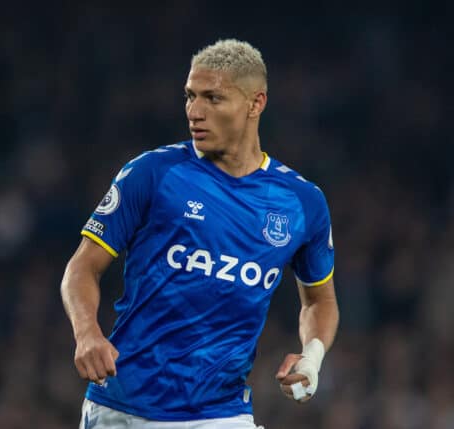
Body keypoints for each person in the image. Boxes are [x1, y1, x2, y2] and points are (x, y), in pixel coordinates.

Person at [61, 39, 339, 429]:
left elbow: (319, 301)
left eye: (213, 98)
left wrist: (312, 357)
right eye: (190, 96)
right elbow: (81, 268)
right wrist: (87, 333)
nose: (194, 112)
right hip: (124, 408)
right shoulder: (153, 174)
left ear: (255, 103)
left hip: (222, 413)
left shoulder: (301, 202)